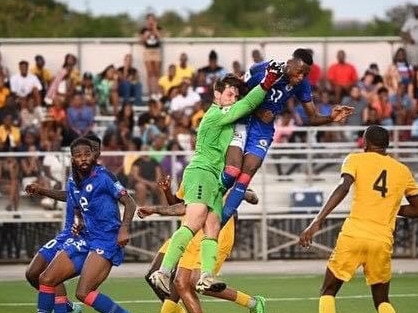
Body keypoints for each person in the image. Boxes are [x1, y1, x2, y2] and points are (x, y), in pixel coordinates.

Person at [148, 62, 285, 295]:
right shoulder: (217, 113)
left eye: (235, 94)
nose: (233, 98)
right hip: (202, 173)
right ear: (217, 94)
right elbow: (249, 103)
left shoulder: (225, 117)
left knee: (212, 228)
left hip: (213, 178)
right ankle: (162, 272)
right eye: (229, 94)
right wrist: (267, 80)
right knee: (193, 223)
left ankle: (206, 277)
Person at [220, 48, 354, 225]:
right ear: (290, 63)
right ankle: (214, 200)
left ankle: (221, 220)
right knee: (232, 172)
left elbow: (312, 117)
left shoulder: (302, 84)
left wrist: (330, 117)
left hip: (263, 129)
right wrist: (257, 108)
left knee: (250, 169)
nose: (301, 78)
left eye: (305, 75)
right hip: (243, 119)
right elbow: (239, 91)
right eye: (299, 72)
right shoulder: (264, 68)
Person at [299, 125, 418, 313]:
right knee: (382, 301)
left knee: (328, 291)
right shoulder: (403, 170)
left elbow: (343, 187)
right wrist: (388, 206)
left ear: (365, 142)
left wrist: (317, 221)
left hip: (354, 235)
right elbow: (416, 209)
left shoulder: (355, 159)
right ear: (387, 145)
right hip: (381, 240)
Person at [36, 137, 136, 313]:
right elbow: (78, 208)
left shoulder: (104, 176)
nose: (83, 158)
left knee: (83, 293)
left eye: (87, 154)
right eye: (78, 155)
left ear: (94, 156)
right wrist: (79, 222)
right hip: (86, 238)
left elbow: (129, 202)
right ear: (72, 159)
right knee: (45, 278)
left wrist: (124, 229)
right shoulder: (73, 182)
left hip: (107, 239)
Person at [139, 175, 265, 313]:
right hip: (190, 233)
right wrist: (167, 191)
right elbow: (180, 205)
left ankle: (252, 302)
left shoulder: (226, 175)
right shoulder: (193, 173)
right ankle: (177, 309)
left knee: (195, 282)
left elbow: (254, 198)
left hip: (217, 235)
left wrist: (239, 193)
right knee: (178, 282)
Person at [140, 12, 163, 97]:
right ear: (147, 21)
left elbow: (160, 38)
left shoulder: (158, 28)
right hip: (148, 51)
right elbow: (141, 42)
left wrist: (154, 29)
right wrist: (146, 35)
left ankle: (158, 91)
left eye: (152, 19)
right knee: (149, 73)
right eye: (149, 19)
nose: (151, 21)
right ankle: (151, 92)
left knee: (157, 72)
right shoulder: (144, 30)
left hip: (156, 50)